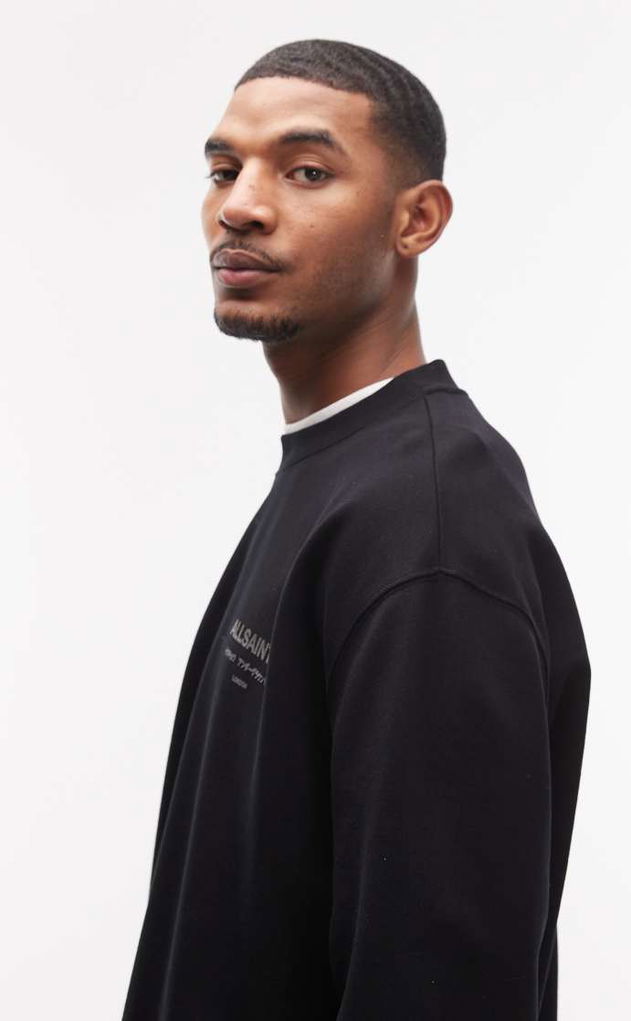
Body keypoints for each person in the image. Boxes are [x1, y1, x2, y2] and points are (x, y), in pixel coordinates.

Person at [121, 37, 591, 1020]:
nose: (240, 206)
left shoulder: (429, 525)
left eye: (305, 171)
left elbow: (442, 984)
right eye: (224, 169)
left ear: (416, 219)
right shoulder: (342, 471)